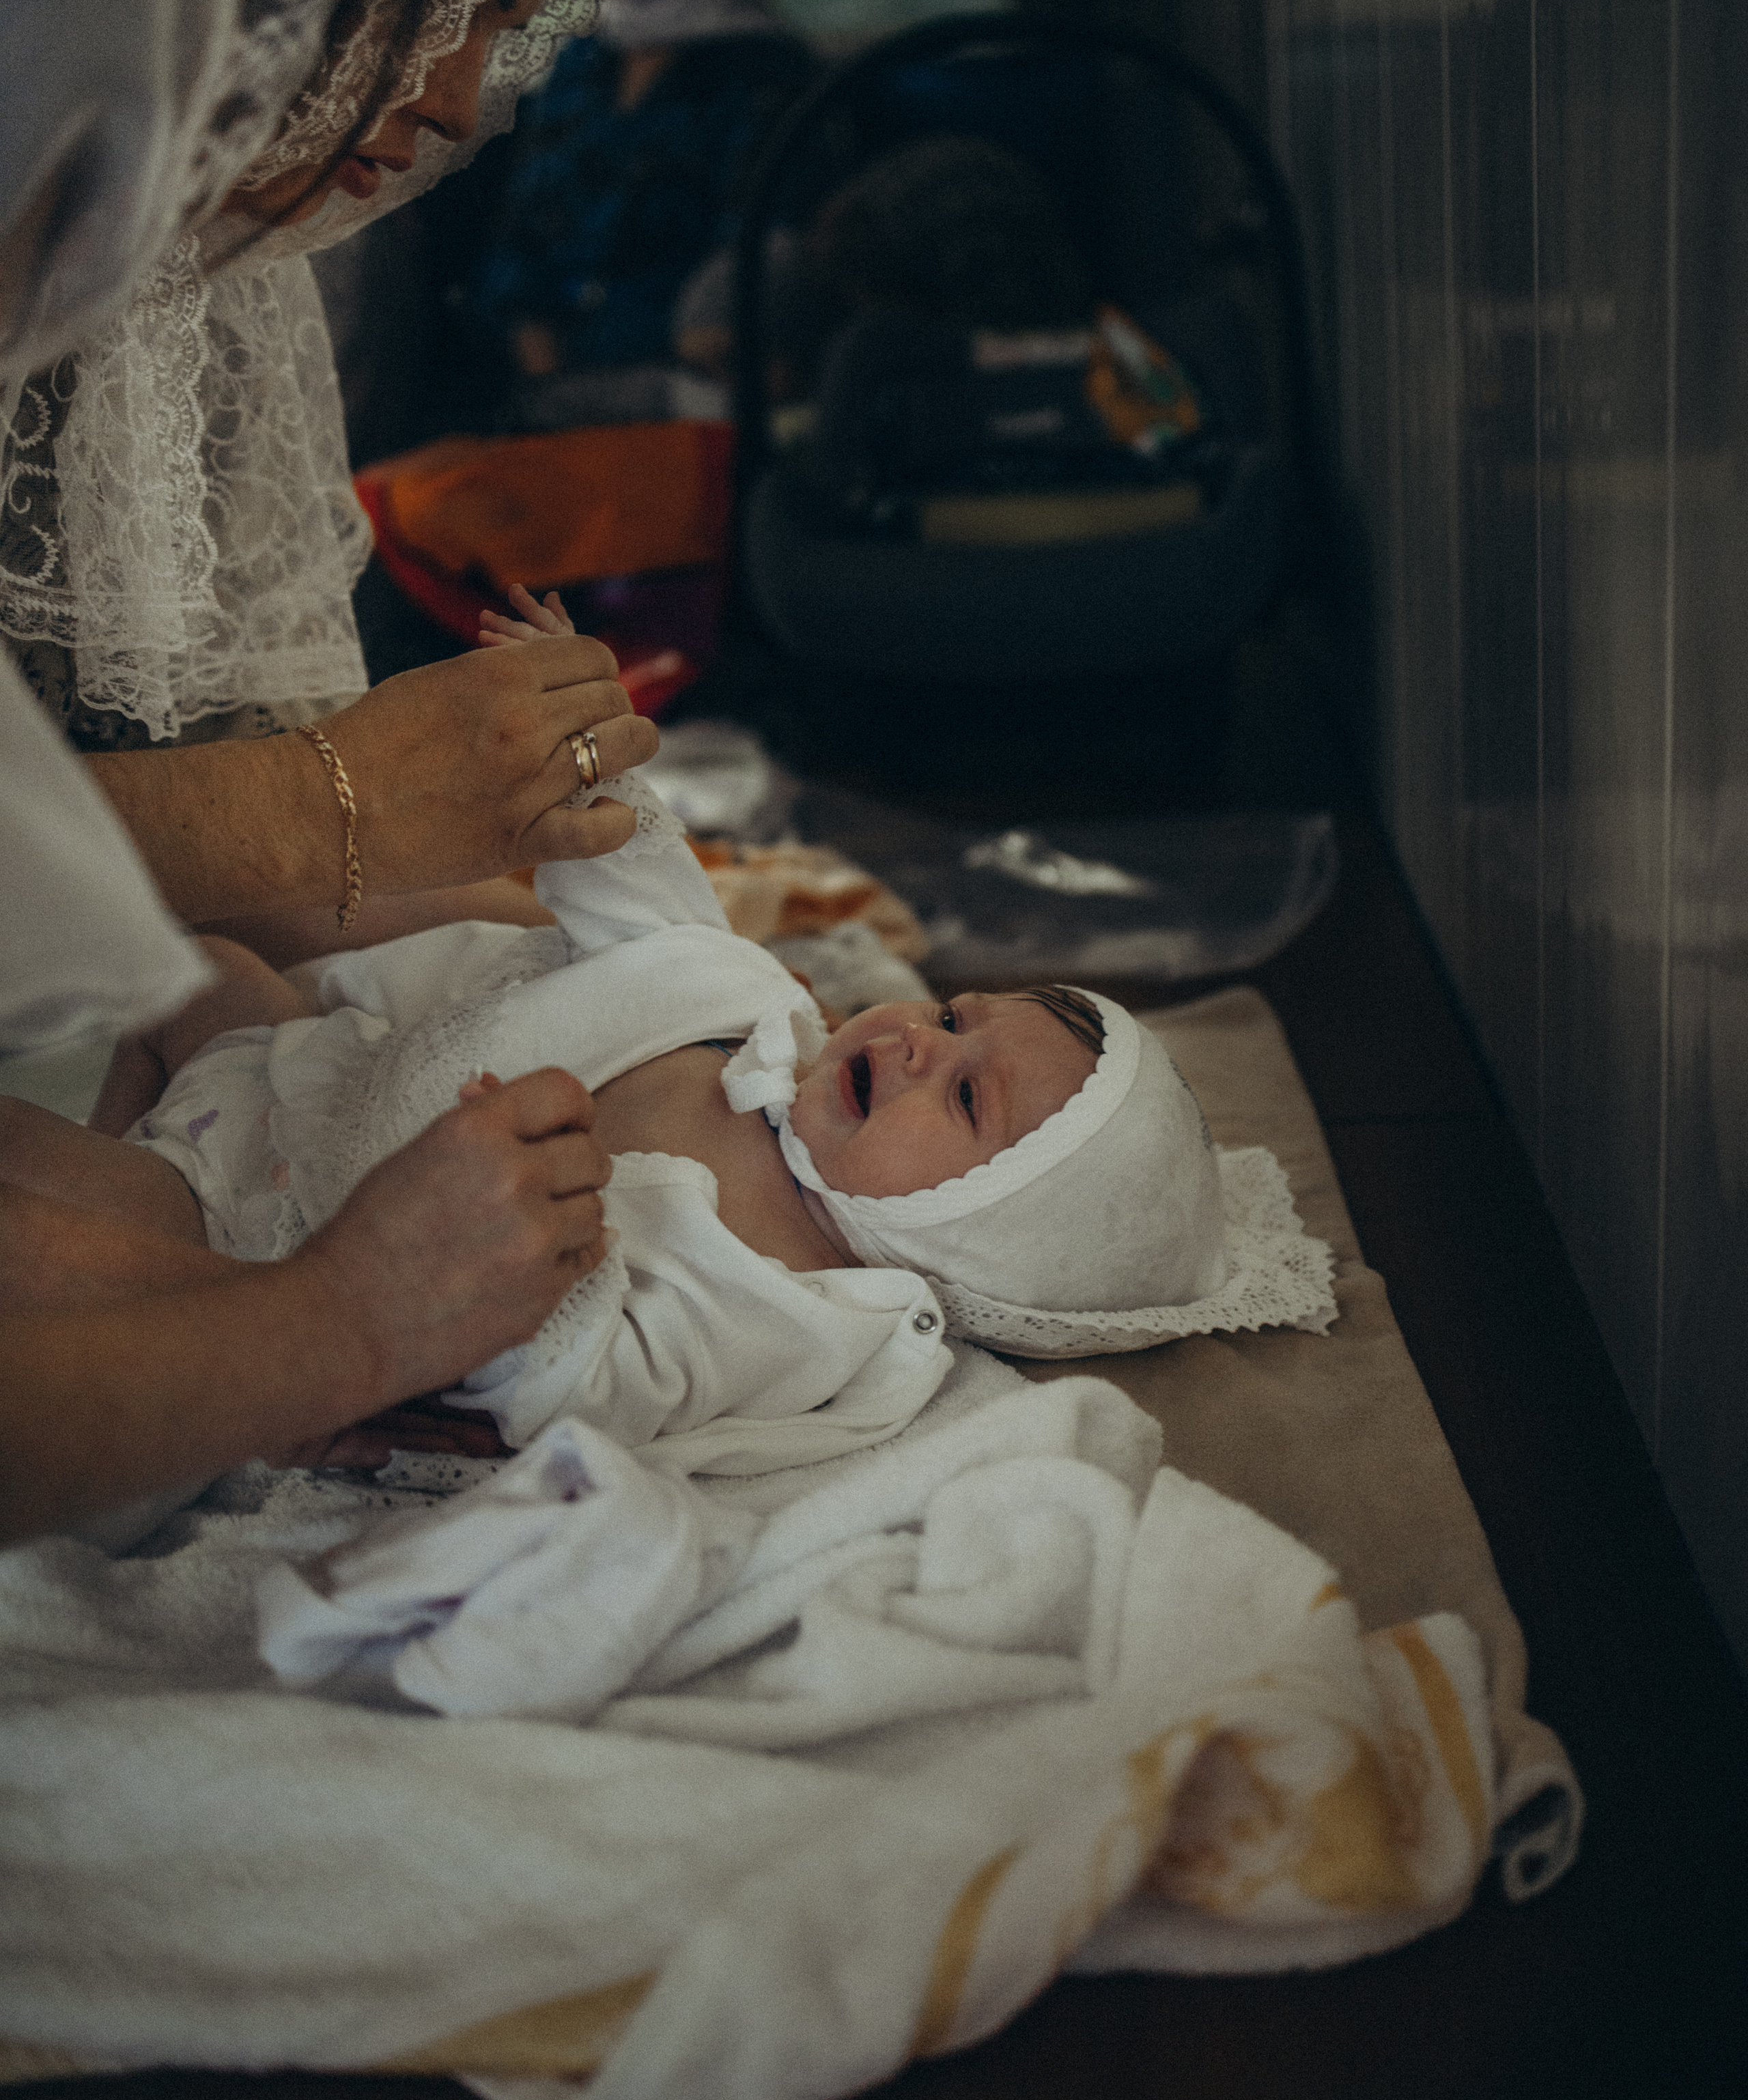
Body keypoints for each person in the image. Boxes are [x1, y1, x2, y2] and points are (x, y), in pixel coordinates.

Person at [0, 0, 727, 1546]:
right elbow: (262, 818)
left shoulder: (187, 279)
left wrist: (620, 951)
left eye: (514, 22)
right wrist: (336, 1315)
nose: (469, 93)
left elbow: (244, 825)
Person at [20, 586, 1333, 1520]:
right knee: (198, 957)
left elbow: (589, 1397)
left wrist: (562, 1284)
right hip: (310, 1079)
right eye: (951, 1020)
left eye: (967, 1097)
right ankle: (146, 1056)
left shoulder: (785, 1305)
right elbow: (646, 910)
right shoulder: (760, 1012)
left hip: (253, 1242)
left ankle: (124, 1143)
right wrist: (596, 779)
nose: (914, 1044)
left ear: (979, 1234)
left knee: (66, 1197)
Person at [0, 0, 727, 950]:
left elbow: (252, 864)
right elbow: (294, 822)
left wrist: (664, 983)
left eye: (500, 30)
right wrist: (337, 796)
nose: (457, 105)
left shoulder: (206, 294)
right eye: (450, 1)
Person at [462, 0, 819, 430]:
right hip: (550, 393)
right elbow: (521, 236)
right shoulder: (586, 58)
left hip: (687, 406)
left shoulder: (767, 79)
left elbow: (750, 278)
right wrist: (544, 369)